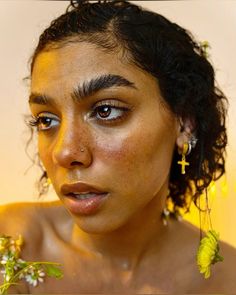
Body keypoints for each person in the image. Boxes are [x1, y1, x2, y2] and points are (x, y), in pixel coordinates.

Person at [1, 0, 236, 293]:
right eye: (47, 120)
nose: (64, 152)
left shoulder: (226, 279)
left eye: (106, 111)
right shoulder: (11, 245)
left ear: (184, 124)